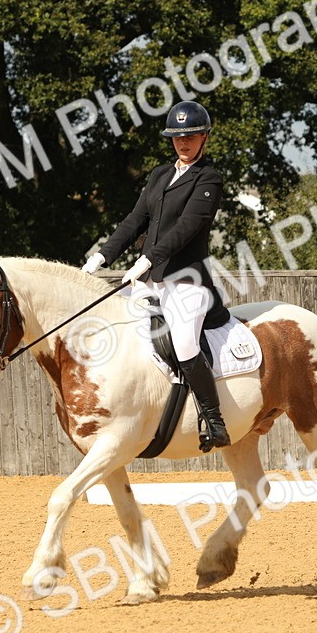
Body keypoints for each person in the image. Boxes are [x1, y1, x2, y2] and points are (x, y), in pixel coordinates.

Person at [81, 101, 230, 449]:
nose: (184, 143)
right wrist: (102, 256)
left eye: (191, 136)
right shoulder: (160, 175)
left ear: (204, 137)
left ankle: (214, 420)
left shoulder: (208, 178)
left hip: (186, 281)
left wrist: (147, 260)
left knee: (184, 343)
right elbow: (136, 220)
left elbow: (187, 228)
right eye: (178, 137)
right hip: (150, 279)